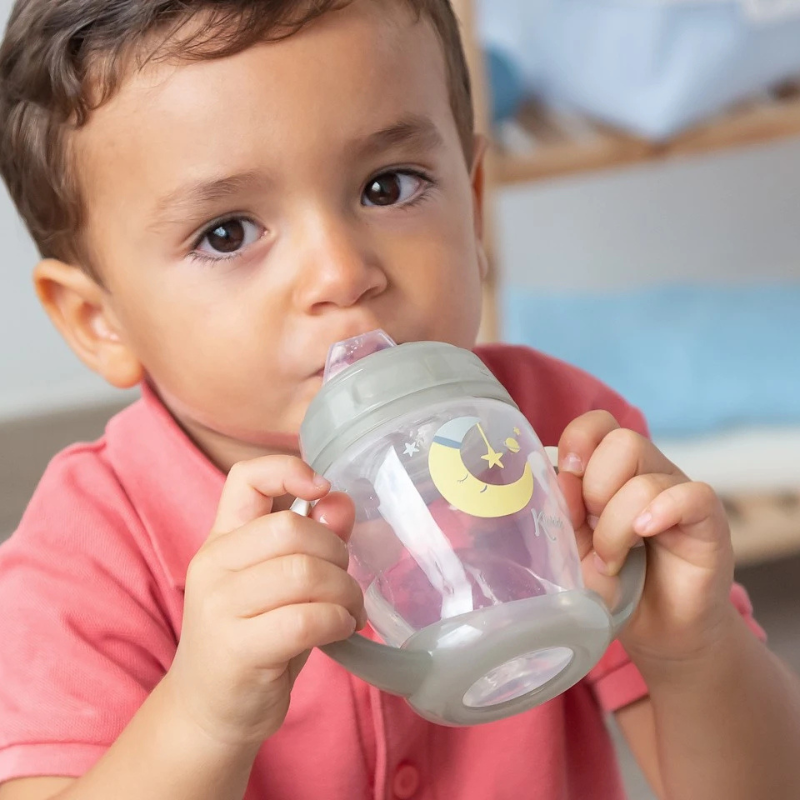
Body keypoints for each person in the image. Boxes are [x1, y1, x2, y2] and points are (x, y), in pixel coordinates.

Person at [0, 1, 799, 798]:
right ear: (97, 320)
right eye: (227, 233)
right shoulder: (90, 552)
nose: (341, 273)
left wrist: (696, 650)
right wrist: (203, 717)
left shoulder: (556, 433)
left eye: (389, 185)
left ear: (474, 202)